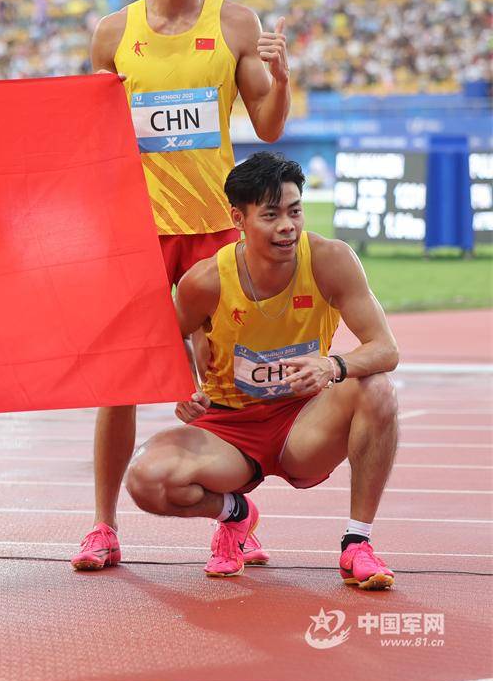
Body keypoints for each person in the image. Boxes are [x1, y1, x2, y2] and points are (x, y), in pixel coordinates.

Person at [72, 0, 292, 571]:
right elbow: (89, 133)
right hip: (140, 233)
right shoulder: (113, 34)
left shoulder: (235, 23)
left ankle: (233, 522)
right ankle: (104, 527)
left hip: (214, 233)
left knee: (224, 388)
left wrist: (281, 75)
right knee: (120, 382)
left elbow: (271, 124)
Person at [125, 152, 399, 588]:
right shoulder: (206, 280)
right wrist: (183, 386)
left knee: (378, 389)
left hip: (303, 425)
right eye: (271, 216)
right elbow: (165, 339)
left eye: (294, 211)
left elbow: (385, 348)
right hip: (227, 429)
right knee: (146, 481)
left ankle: (357, 544)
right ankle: (235, 514)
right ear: (239, 217)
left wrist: (332, 365)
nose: (287, 227)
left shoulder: (330, 260)